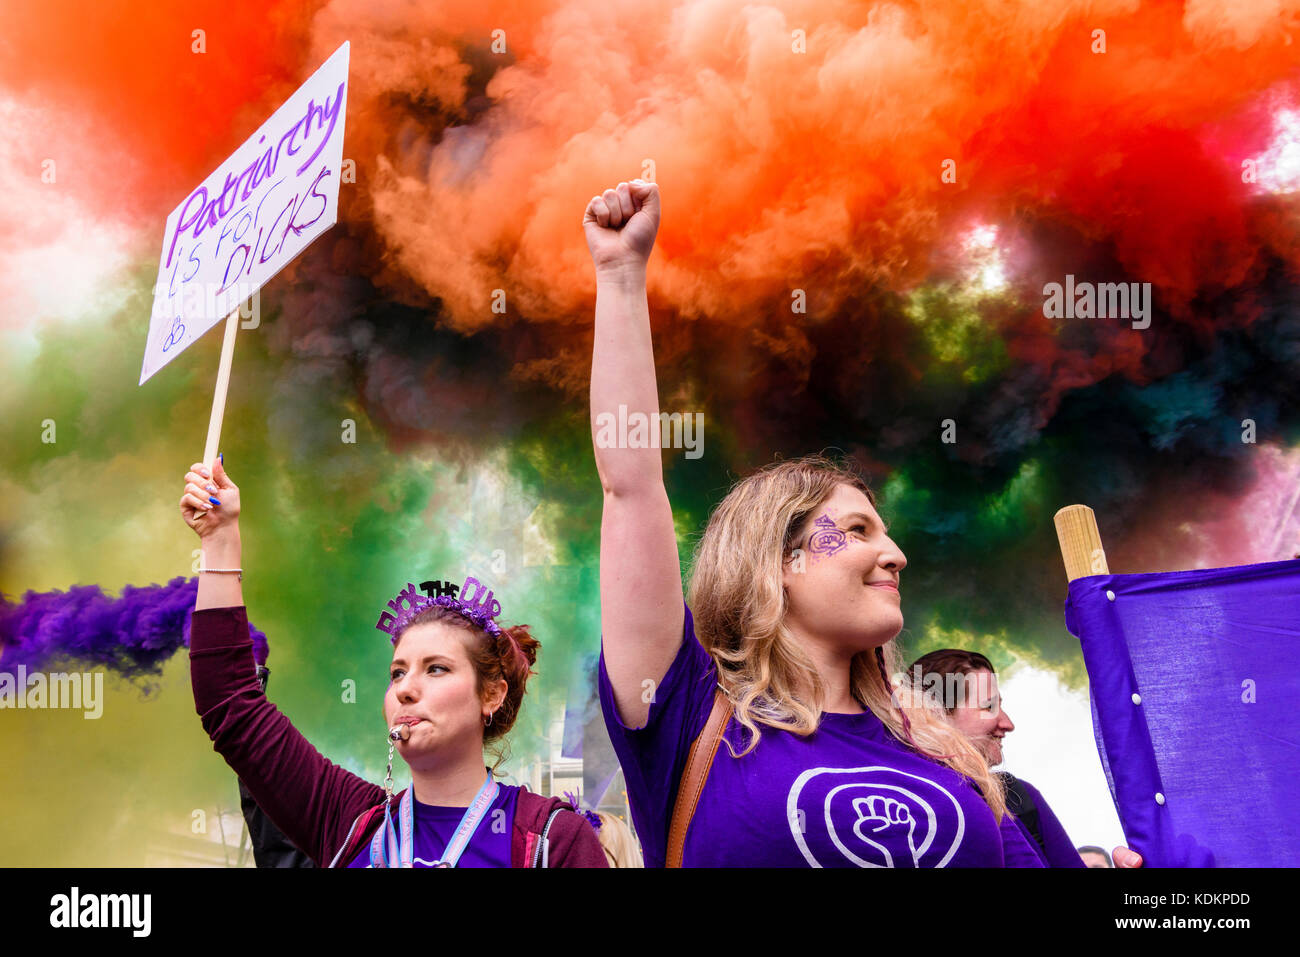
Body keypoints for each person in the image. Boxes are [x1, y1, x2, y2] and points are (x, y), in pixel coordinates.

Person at [584, 180, 1044, 867]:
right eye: (857, 531)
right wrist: (621, 275)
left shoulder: (945, 754)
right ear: (777, 563)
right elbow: (631, 488)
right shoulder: (689, 716)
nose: (895, 554)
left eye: (884, 533)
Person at [179, 457, 606, 868]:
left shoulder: (549, 840)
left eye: (436, 668)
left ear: (491, 694)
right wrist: (219, 538)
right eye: (397, 672)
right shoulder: (351, 822)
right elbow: (232, 704)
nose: (405, 688)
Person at [909, 649, 1083, 868]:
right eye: (989, 706)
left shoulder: (1019, 797)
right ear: (934, 716)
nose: (1008, 723)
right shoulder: (899, 811)